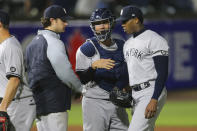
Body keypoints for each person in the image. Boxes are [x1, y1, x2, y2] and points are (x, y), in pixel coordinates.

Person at [25, 5, 82, 131]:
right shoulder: (53, 42)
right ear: (52, 20)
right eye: (63, 20)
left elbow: (28, 75)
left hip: (39, 104)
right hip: (54, 104)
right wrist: (80, 88)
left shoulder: (32, 43)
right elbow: (65, 72)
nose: (66, 23)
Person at [75, 8, 130, 131]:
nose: (101, 27)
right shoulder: (87, 48)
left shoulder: (123, 46)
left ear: (111, 23)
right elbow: (83, 79)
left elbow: (126, 73)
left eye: (104, 22)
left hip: (118, 103)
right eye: (97, 24)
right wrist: (94, 66)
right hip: (95, 103)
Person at [117, 5, 169, 131]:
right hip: (135, 94)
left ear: (136, 20)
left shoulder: (154, 39)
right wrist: (124, 88)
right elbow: (133, 73)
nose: (122, 24)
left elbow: (162, 72)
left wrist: (154, 99)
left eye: (125, 21)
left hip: (150, 91)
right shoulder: (127, 44)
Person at [0, 10, 36, 131]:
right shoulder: (3, 45)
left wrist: (3, 108)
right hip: (10, 102)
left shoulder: (10, 46)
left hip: (19, 103)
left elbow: (14, 80)